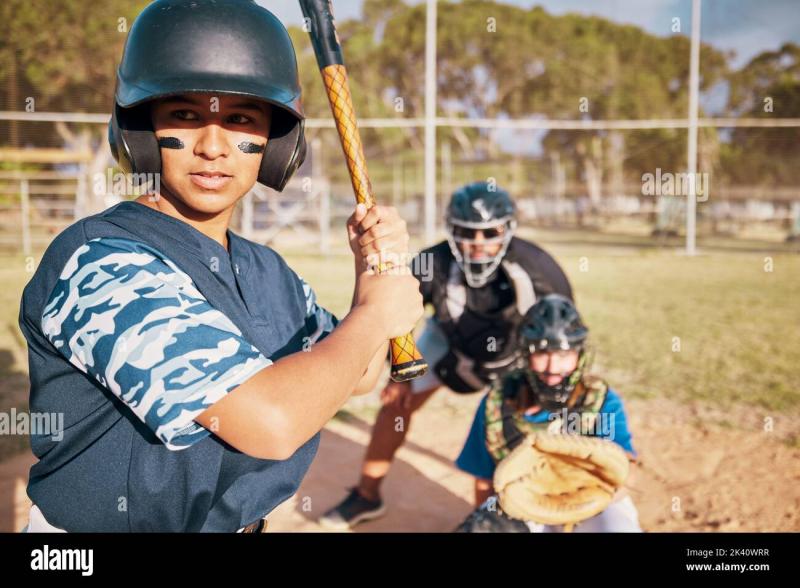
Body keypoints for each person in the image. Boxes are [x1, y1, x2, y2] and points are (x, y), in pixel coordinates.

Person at [18, 0, 422, 532]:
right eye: (185, 115)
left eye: (240, 120)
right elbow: (271, 424)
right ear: (141, 131)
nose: (213, 147)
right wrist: (375, 316)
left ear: (274, 146)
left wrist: (369, 277)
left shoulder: (266, 269)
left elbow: (357, 374)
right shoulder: (100, 261)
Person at [320, 181, 573, 529]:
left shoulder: (537, 267)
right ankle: (366, 495)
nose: (479, 244)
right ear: (451, 230)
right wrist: (400, 375)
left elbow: (563, 332)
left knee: (500, 428)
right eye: (467, 233)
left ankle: (500, 514)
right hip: (448, 343)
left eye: (490, 233)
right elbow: (395, 308)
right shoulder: (433, 261)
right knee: (396, 405)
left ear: (509, 229)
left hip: (515, 354)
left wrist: (548, 389)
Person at [455, 294, 642, 532]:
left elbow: (627, 471)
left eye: (564, 355)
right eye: (542, 354)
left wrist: (608, 479)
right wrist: (488, 523)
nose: (553, 368)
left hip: (589, 503)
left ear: (579, 354)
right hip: (526, 507)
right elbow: (483, 482)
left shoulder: (599, 401)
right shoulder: (498, 403)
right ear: (525, 354)